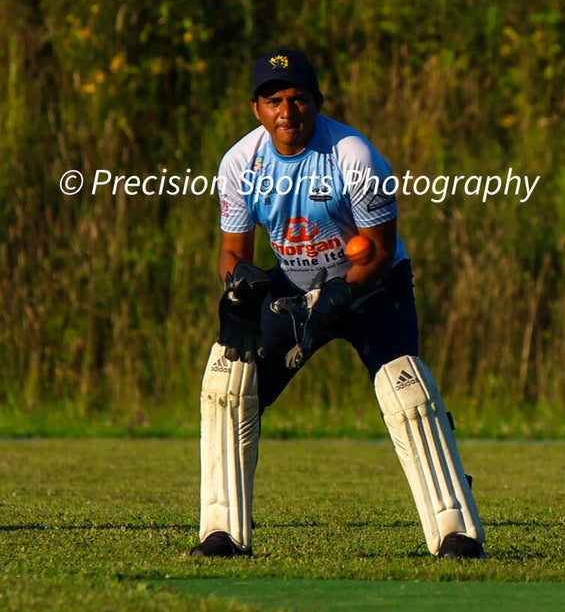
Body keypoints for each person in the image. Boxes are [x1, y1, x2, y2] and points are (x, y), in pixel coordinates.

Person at [191, 48, 485, 560]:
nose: (288, 111)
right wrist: (238, 288)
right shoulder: (240, 163)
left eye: (298, 98)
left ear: (317, 102)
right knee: (227, 381)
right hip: (291, 285)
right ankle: (223, 532)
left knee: (406, 389)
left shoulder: (354, 155)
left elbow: (381, 249)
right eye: (274, 100)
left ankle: (454, 532)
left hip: (372, 286)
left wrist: (341, 292)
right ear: (255, 109)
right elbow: (233, 253)